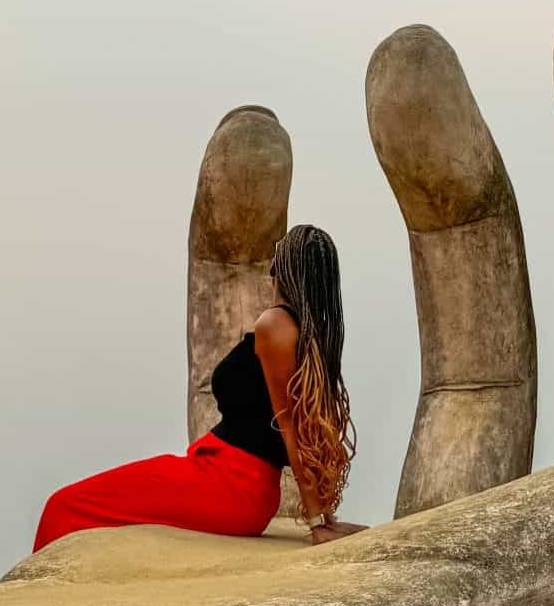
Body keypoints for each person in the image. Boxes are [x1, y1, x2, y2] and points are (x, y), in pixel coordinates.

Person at [33, 224, 365, 551]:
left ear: (282, 266)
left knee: (65, 505)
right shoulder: (302, 334)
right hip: (228, 479)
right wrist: (325, 516)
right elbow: (305, 426)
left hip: (229, 483)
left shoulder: (275, 325)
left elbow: (290, 426)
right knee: (82, 505)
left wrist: (319, 523)